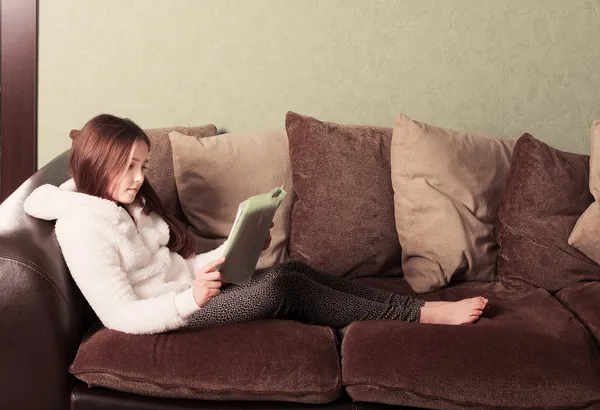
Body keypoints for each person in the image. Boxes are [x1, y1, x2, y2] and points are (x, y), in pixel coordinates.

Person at [24, 114, 488, 335]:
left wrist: (232, 249)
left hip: (191, 292)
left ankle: (413, 307)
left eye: (142, 165)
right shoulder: (82, 227)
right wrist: (190, 300)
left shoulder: (127, 205)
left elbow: (174, 264)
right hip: (174, 316)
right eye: (129, 166)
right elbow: (119, 315)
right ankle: (423, 314)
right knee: (282, 291)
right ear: (97, 162)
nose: (140, 178)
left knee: (293, 271)